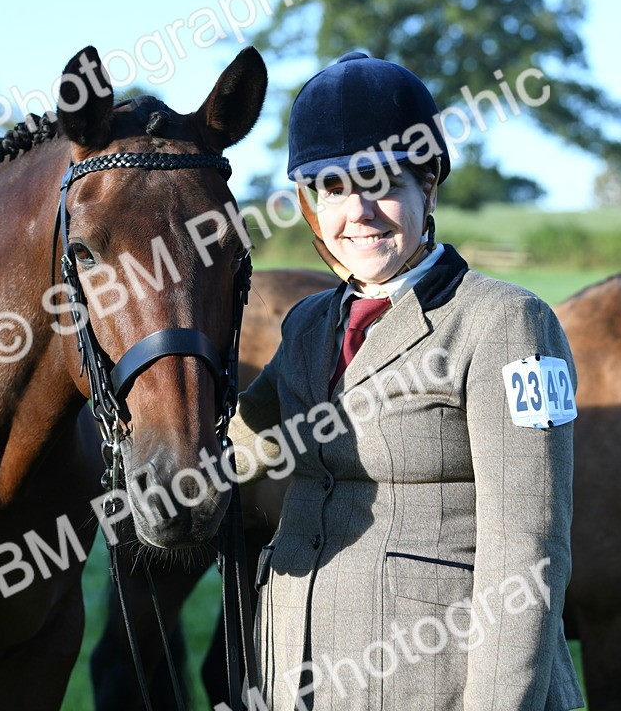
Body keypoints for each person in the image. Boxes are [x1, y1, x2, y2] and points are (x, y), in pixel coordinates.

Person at [228, 52, 585, 711]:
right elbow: (238, 450)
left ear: (430, 185)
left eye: (380, 182)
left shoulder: (509, 325)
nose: (358, 212)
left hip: (437, 687)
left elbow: (527, 553)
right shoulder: (308, 326)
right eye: (333, 188)